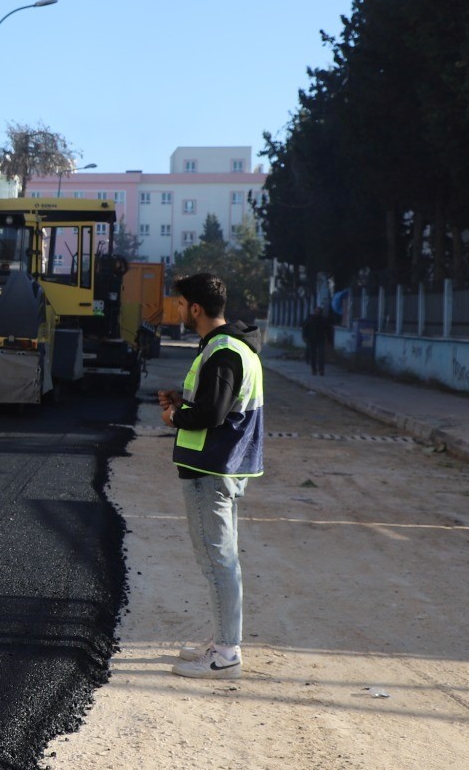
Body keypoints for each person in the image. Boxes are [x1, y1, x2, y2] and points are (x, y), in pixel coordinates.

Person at [156, 272, 264, 680]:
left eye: (181, 305)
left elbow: (212, 414)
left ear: (196, 308)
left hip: (211, 467)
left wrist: (175, 415)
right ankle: (223, 640)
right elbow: (221, 402)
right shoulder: (236, 346)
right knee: (220, 558)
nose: (179, 311)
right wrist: (186, 401)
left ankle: (226, 654)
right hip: (227, 465)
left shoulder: (221, 352)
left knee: (217, 560)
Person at [302, 308, 333, 376]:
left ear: (320, 313)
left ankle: (321, 370)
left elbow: (328, 331)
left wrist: (329, 340)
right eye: (316, 312)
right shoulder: (310, 319)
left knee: (321, 354)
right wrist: (304, 337)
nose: (317, 313)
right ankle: (314, 370)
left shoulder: (323, 320)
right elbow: (305, 328)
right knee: (313, 355)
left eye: (318, 312)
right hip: (311, 339)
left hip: (321, 339)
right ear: (314, 312)